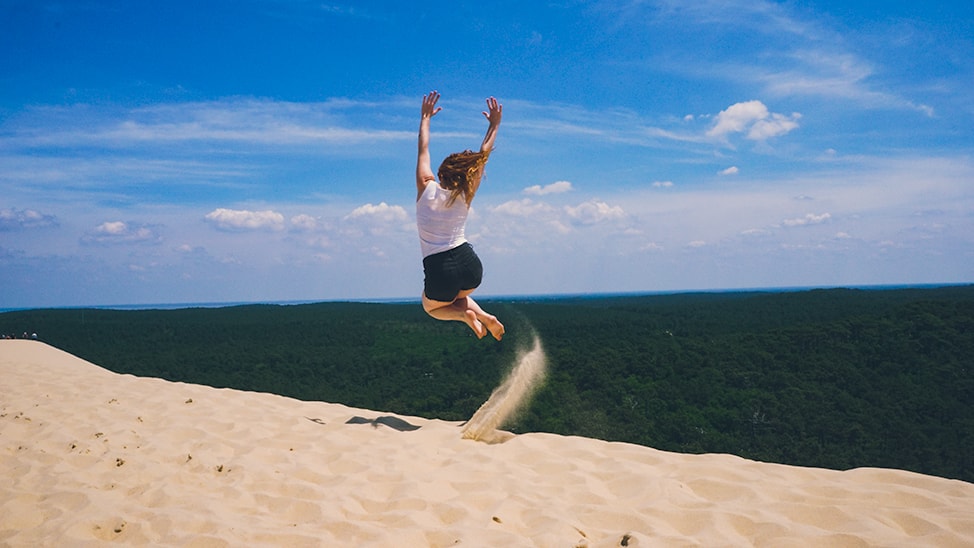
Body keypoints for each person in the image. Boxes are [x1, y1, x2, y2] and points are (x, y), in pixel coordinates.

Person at [415, 91, 505, 341]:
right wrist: (495, 125)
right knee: (459, 295)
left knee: (431, 307)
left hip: (440, 268)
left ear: (440, 175)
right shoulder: (467, 193)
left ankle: (467, 317)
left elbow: (423, 148)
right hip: (470, 267)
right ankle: (484, 316)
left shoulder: (425, 186)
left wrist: (425, 118)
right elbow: (483, 155)